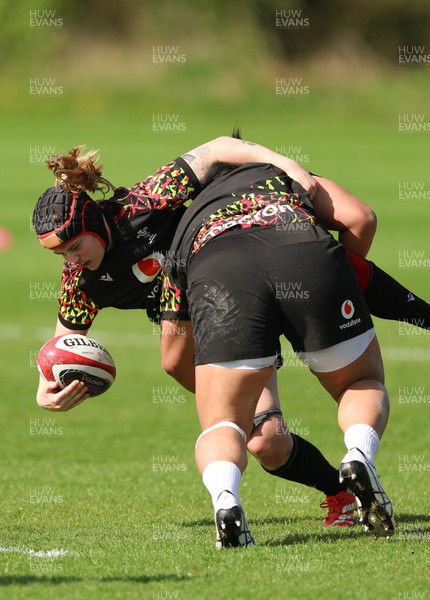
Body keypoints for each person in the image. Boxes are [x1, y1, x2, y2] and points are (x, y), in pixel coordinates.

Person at [32, 138, 428, 545]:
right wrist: (47, 389)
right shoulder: (80, 283)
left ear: (95, 225)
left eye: (74, 247)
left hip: (226, 277)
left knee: (230, 422)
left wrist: (284, 163)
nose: (70, 260)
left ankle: (237, 485)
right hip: (214, 317)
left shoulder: (143, 203)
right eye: (60, 254)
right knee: (267, 441)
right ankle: (342, 490)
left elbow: (220, 147)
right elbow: (62, 348)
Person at [162, 149, 404, 548]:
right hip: (306, 254)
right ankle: (359, 455)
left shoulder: (189, 218)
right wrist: (335, 285)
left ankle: (226, 501)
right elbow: (361, 217)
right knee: (358, 380)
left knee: (224, 424)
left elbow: (173, 358)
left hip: (221, 273)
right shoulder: (276, 172)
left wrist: (230, 393)